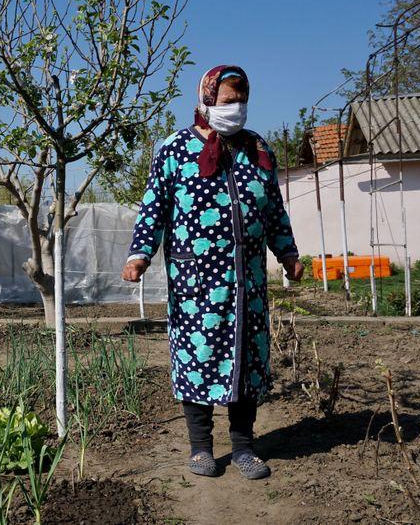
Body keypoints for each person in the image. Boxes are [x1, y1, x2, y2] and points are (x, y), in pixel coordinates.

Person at [120, 65, 304, 480]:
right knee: (198, 357)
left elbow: (273, 209)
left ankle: (243, 447)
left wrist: (288, 254)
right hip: (196, 282)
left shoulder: (258, 149)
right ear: (204, 100)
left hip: (249, 283)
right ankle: (201, 448)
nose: (236, 109)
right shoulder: (174, 149)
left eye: (242, 101)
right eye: (227, 102)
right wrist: (140, 255)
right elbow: (154, 208)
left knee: (247, 359)